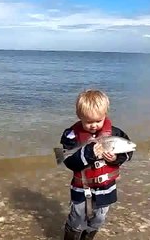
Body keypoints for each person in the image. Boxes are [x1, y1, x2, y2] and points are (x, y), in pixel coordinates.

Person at [59, 90, 134, 240]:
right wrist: (88, 153)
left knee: (99, 218)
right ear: (79, 116)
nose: (94, 125)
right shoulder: (71, 135)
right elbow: (68, 161)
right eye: (88, 122)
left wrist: (114, 158)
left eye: (98, 121)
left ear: (105, 114)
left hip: (106, 188)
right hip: (81, 187)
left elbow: (129, 151)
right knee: (77, 218)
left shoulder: (116, 133)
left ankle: (88, 237)